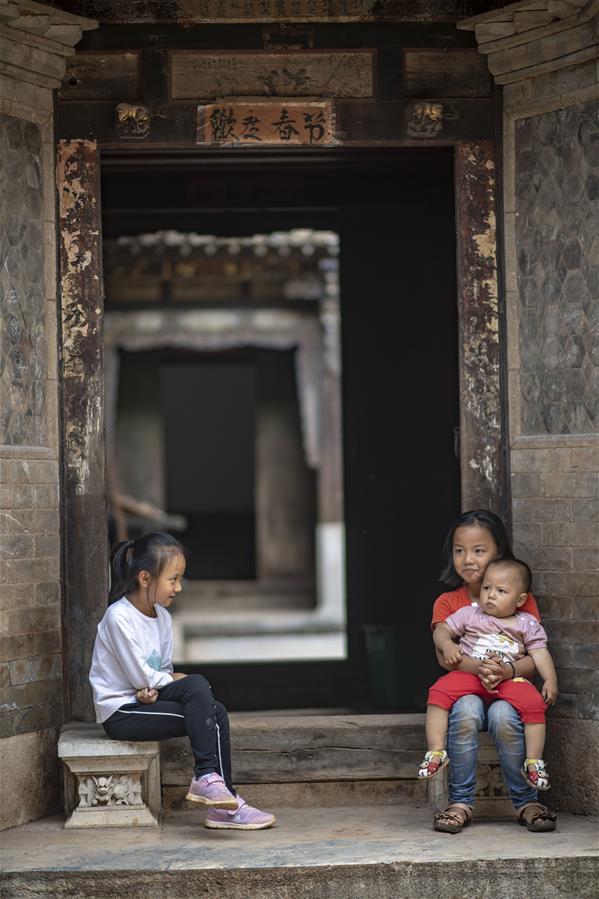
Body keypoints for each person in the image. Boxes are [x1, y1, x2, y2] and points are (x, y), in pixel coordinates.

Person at [89, 532, 276, 831]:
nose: (179, 587)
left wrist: (158, 686)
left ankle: (223, 803)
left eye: (180, 579)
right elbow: (143, 677)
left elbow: (161, 671)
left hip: (145, 701)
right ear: (145, 578)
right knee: (196, 683)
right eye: (173, 579)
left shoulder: (162, 617)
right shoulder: (118, 617)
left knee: (216, 713)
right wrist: (165, 683)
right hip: (121, 712)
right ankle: (206, 777)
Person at [427, 510, 557, 834]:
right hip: (467, 687)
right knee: (467, 710)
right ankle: (460, 803)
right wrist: (485, 669)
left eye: (479, 551)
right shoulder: (448, 602)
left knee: (502, 715)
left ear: (499, 551)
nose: (468, 559)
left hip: (509, 688)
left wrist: (506, 670)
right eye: (460, 551)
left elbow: (533, 655)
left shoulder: (519, 599)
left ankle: (527, 801)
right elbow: (446, 658)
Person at [418, 558, 558, 793]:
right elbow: (442, 630)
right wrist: (448, 645)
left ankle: (534, 762)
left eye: (501, 591)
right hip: (471, 677)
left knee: (535, 704)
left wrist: (551, 680)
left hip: (509, 680)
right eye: (486, 588)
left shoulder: (526, 623)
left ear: (521, 599)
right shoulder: (470, 614)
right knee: (438, 692)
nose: (490, 595)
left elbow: (539, 653)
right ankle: (436, 751)